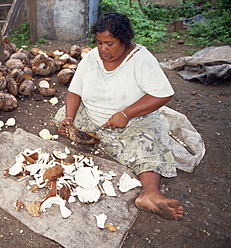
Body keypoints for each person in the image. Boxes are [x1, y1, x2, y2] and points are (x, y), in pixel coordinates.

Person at [57, 12, 183, 220]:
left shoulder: (141, 59)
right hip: (91, 117)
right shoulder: (91, 58)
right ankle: (88, 133)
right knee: (63, 116)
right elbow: (74, 92)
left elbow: (163, 94)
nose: (103, 49)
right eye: (99, 43)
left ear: (124, 41)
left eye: (110, 44)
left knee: (149, 140)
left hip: (133, 121)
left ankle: (150, 193)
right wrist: (69, 119)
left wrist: (126, 113)